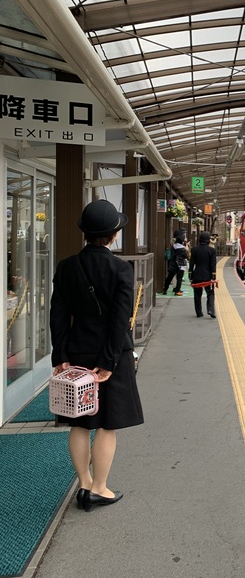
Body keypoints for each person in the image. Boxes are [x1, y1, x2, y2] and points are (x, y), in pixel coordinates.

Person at [50, 199, 144, 512]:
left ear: (85, 233)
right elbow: (120, 320)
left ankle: (84, 484)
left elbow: (58, 315)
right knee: (107, 424)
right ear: (114, 234)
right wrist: (108, 362)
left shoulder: (66, 267)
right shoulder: (121, 269)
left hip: (76, 353)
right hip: (111, 356)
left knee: (79, 423)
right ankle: (100, 489)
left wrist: (60, 355)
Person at [189, 231, 217, 318]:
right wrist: (213, 275)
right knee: (210, 293)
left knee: (197, 294)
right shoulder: (212, 250)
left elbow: (191, 263)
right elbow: (213, 264)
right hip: (208, 276)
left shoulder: (194, 250)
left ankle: (199, 313)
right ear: (208, 240)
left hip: (197, 275)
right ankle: (211, 310)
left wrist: (190, 274)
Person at [161, 230, 189, 296]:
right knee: (179, 278)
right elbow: (186, 256)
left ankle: (165, 289)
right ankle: (177, 290)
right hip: (180, 265)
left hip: (173, 264)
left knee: (169, 277)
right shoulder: (182, 249)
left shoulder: (173, 246)